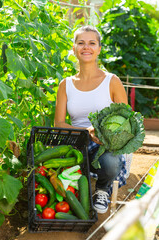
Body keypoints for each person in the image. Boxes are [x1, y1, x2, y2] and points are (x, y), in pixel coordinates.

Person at [54, 25, 128, 214]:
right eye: (81, 43)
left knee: (111, 162)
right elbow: (59, 124)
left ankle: (102, 188)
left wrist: (105, 133)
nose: (86, 47)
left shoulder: (112, 81)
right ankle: (75, 190)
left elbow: (126, 121)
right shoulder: (66, 84)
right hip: (74, 139)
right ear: (74, 49)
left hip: (105, 142)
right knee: (55, 167)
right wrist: (86, 131)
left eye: (92, 43)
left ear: (99, 49)